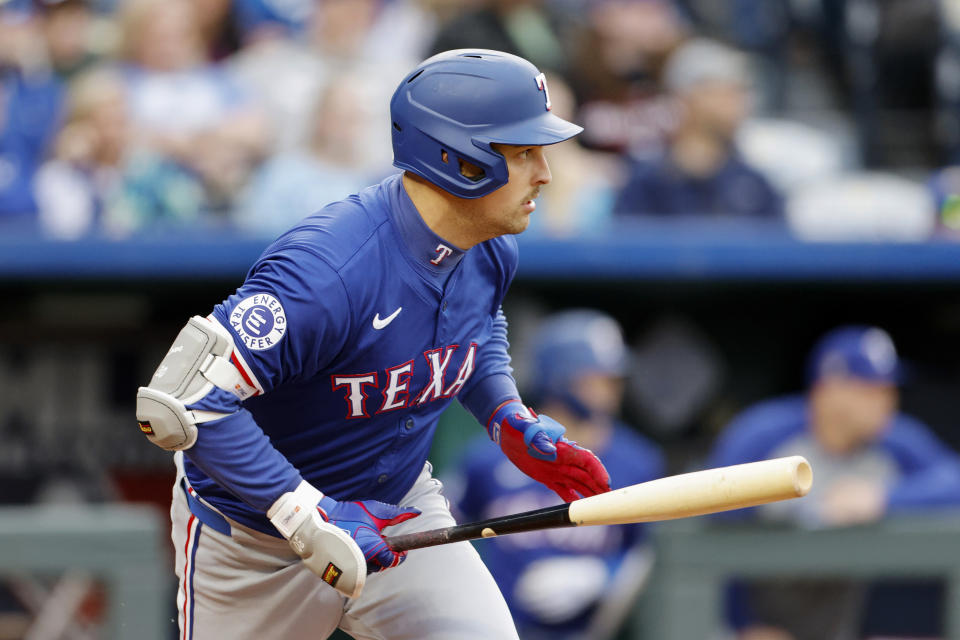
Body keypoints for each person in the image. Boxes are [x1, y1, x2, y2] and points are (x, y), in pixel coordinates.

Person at [135, 49, 611, 640]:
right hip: (259, 543)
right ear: (459, 160)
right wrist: (309, 514)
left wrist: (505, 414)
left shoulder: (489, 243)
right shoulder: (329, 271)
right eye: (523, 153)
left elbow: (478, 325)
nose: (545, 173)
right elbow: (179, 402)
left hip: (401, 514)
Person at [707, 325, 960, 640]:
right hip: (747, 627)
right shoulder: (764, 436)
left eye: (889, 390)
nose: (888, 401)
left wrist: (884, 499)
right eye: (870, 389)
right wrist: (743, 623)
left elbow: (953, 480)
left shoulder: (894, 441)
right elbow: (710, 527)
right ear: (829, 390)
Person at [451, 309, 664, 640]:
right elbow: (445, 529)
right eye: (596, 378)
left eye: (615, 379)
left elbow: (650, 552)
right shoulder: (490, 455)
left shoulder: (637, 460)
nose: (611, 390)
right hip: (500, 627)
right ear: (559, 378)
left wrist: (602, 576)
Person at [613, 38, 784, 219]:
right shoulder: (646, 184)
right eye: (729, 91)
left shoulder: (755, 186)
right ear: (688, 97)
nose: (741, 103)